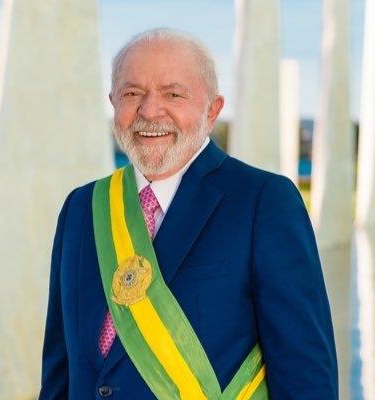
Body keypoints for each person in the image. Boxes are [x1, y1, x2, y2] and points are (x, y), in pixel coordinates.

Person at [39, 28, 338, 400]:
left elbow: (306, 378)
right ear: (113, 103)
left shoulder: (264, 202)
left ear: (213, 110)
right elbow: (59, 371)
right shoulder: (81, 207)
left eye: (173, 94)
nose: (149, 110)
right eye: (132, 93)